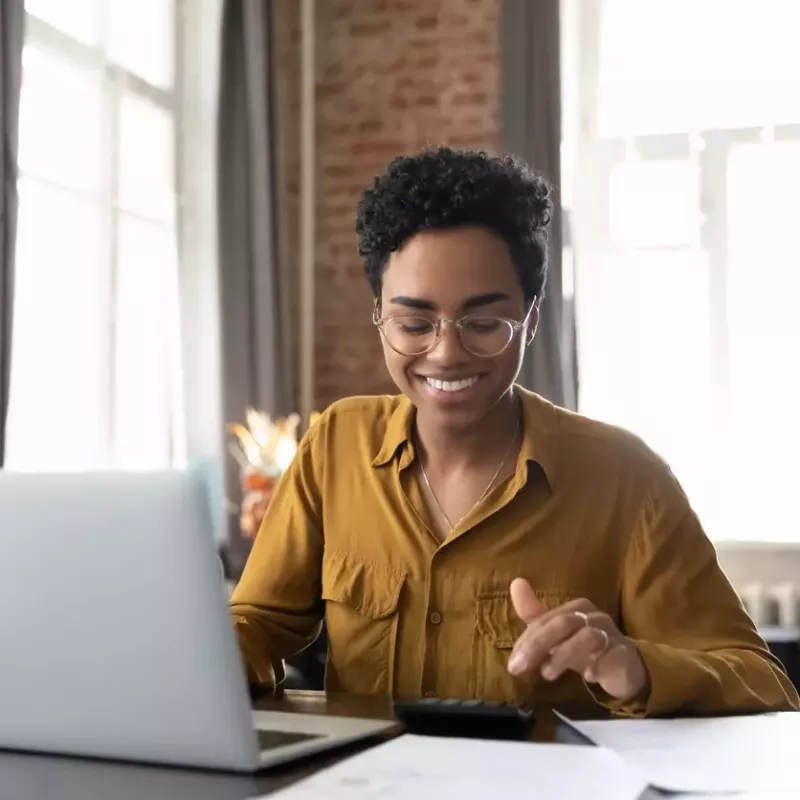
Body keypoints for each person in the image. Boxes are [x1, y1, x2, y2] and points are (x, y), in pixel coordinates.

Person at [230, 146, 799, 716]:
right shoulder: (336, 445)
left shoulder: (626, 479)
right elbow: (258, 623)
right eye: (413, 323)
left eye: (483, 323)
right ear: (378, 314)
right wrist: (220, 651)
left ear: (531, 319)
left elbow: (763, 684)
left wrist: (635, 667)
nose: (446, 353)